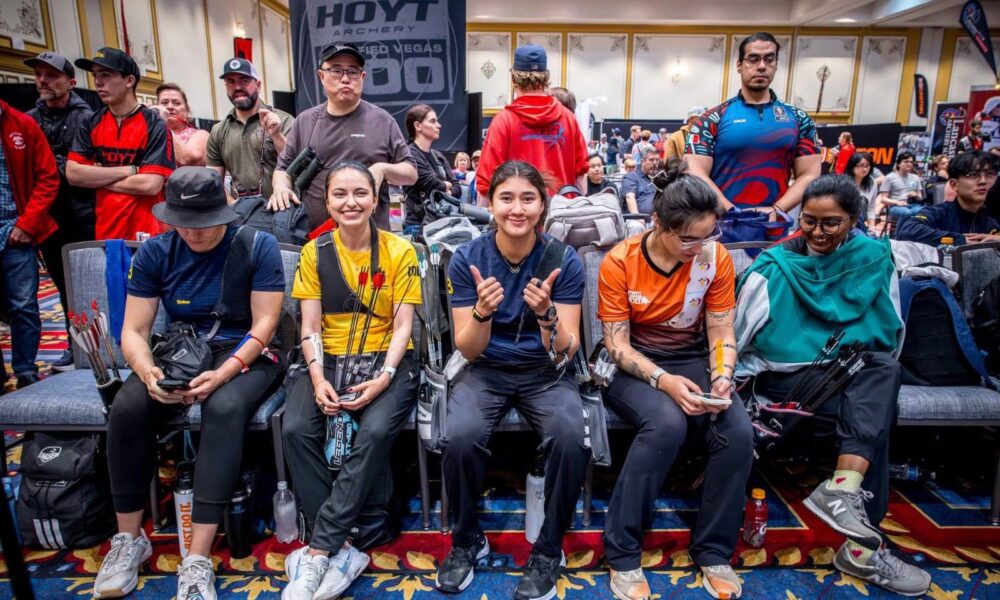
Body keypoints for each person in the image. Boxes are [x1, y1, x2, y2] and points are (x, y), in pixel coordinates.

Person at [92, 167, 285, 600]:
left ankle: (196, 557)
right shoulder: (156, 252)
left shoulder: (257, 246)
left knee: (224, 407)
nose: (195, 234)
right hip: (182, 351)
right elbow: (133, 332)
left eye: (206, 224)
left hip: (244, 352)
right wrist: (149, 373)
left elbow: (265, 325)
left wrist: (224, 373)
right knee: (127, 405)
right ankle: (129, 539)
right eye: (185, 224)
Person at [735, 174, 930, 597]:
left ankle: (844, 491)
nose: (818, 232)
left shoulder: (873, 259)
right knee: (873, 414)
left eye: (831, 223)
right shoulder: (774, 265)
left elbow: (890, 327)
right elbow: (737, 335)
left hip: (852, 374)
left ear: (854, 221)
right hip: (789, 381)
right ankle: (861, 546)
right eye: (809, 221)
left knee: (879, 376)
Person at [599, 160, 752, 600]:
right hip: (634, 364)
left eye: (708, 236)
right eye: (688, 239)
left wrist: (722, 375)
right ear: (658, 224)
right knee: (666, 424)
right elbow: (616, 345)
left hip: (691, 357)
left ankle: (714, 551)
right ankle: (623, 554)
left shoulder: (714, 258)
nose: (698, 247)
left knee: (737, 432)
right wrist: (664, 381)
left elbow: (720, 329)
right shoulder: (621, 261)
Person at [435, 161, 589, 599]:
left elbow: (566, 350)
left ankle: (549, 548)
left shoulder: (563, 260)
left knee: (569, 438)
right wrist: (483, 312)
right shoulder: (468, 259)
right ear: (490, 204)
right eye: (506, 198)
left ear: (542, 206)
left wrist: (546, 315)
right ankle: (467, 539)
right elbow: (468, 350)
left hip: (545, 371)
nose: (517, 209)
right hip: (486, 368)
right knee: (459, 436)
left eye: (528, 199)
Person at [281, 160, 421, 600]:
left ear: (375, 200)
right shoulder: (314, 252)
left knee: (374, 431)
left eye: (360, 193)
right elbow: (309, 326)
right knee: (296, 427)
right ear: (327, 202)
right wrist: (317, 376)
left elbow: (403, 327)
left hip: (388, 360)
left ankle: (319, 548)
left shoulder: (400, 250)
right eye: (339, 194)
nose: (350, 202)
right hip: (328, 359)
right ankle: (341, 547)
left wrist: (384, 377)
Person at [270, 42, 416, 230]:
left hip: (371, 237)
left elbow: (411, 174)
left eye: (353, 72)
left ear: (362, 77)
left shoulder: (382, 120)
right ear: (321, 76)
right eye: (336, 71)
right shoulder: (304, 121)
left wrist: (382, 169)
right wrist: (281, 188)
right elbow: (283, 169)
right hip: (316, 238)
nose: (345, 79)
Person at [687, 32, 821, 218]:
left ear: (776, 65)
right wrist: (733, 212)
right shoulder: (711, 119)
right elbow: (695, 171)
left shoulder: (799, 118)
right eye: (753, 59)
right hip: (721, 225)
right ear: (739, 65)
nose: (762, 66)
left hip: (774, 226)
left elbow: (810, 174)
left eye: (769, 59)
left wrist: (777, 209)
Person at [24, 50, 96, 371]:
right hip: (47, 216)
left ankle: (97, 343)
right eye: (39, 75)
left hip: (83, 214)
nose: (43, 81)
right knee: (62, 285)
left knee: (88, 282)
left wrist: (49, 165)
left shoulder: (86, 118)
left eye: (51, 75)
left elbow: (87, 168)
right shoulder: (29, 120)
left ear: (70, 82)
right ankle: (74, 342)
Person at [67, 47, 174, 240]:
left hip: (147, 233)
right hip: (106, 231)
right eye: (95, 75)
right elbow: (74, 174)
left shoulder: (154, 123)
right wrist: (131, 170)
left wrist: (97, 178)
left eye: (106, 75)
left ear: (129, 81)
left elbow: (150, 184)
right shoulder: (91, 123)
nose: (98, 82)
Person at [474, 44, 588, 205]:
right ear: (546, 77)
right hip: (562, 214)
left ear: (514, 79)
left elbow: (486, 182)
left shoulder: (503, 121)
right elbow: (581, 177)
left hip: (518, 215)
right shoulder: (568, 118)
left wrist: (484, 215)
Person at [0, 98, 59, 389]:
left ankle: (25, 369)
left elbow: (48, 177)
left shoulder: (22, 124)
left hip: (16, 230)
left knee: (23, 306)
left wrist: (27, 224)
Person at [206, 58, 292, 204]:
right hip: (238, 212)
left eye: (244, 80)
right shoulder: (218, 131)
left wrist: (276, 135)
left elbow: (295, 165)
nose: (237, 87)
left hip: (282, 209)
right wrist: (232, 205)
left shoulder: (283, 120)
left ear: (258, 85)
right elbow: (213, 180)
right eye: (231, 82)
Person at [897, 151, 1000, 245]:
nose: (983, 181)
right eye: (973, 175)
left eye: (990, 174)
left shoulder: (993, 218)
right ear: (954, 184)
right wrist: (960, 240)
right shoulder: (939, 213)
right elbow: (908, 231)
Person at [402, 104, 458, 236]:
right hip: (418, 226)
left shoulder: (438, 156)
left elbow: (457, 187)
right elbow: (430, 183)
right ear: (418, 126)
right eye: (432, 121)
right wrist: (445, 187)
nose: (439, 125)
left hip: (442, 223)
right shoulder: (409, 155)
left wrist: (445, 189)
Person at [155, 83, 209, 167]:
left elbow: (189, 160)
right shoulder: (151, 136)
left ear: (187, 110)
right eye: (164, 103)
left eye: (176, 103)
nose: (170, 107)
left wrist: (163, 123)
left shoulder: (201, 135)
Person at [877, 151, 924, 234]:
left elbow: (920, 197)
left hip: (912, 205)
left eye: (911, 162)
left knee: (922, 211)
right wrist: (897, 202)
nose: (909, 164)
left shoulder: (915, 178)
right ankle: (899, 235)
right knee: (906, 213)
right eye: (906, 162)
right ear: (898, 164)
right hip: (895, 206)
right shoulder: (890, 177)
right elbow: (883, 199)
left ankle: (914, 234)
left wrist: (916, 195)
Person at [621, 148, 660, 214]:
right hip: (639, 217)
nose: (655, 163)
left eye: (657, 160)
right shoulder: (631, 177)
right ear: (642, 161)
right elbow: (629, 197)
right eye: (651, 160)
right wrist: (637, 217)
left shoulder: (660, 177)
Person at [845, 152, 878, 226]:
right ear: (852, 166)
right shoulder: (843, 182)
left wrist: (872, 227)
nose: (864, 169)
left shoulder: (872, 184)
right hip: (844, 221)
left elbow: (871, 208)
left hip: (860, 222)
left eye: (867, 166)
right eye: (861, 165)